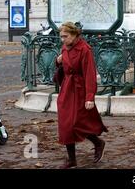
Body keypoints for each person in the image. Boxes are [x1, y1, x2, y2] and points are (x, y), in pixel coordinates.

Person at [55, 22, 107, 168]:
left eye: (65, 36)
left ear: (74, 35)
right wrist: (58, 61)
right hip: (67, 89)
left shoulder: (85, 49)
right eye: (61, 37)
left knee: (77, 123)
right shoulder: (65, 47)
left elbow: (90, 75)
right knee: (66, 125)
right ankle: (72, 160)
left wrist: (90, 97)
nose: (62, 40)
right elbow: (64, 65)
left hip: (79, 90)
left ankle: (98, 142)